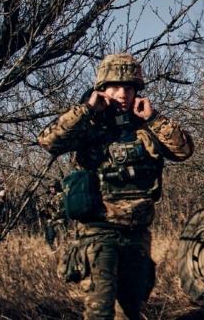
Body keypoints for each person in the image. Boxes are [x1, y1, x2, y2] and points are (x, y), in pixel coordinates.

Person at [37, 53, 194, 320]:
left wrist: (154, 117)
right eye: (115, 87)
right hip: (99, 233)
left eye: (129, 87)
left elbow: (184, 150)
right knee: (100, 311)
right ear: (102, 90)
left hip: (137, 234)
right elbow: (49, 141)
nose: (123, 94)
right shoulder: (88, 125)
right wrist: (87, 109)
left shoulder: (145, 126)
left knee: (130, 311)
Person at [39, 180, 65, 250]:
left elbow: (64, 210)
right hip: (51, 221)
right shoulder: (50, 197)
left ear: (57, 187)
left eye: (53, 187)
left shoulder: (63, 196)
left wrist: (54, 214)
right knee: (48, 239)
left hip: (60, 221)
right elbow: (45, 210)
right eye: (50, 188)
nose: (51, 189)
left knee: (61, 240)